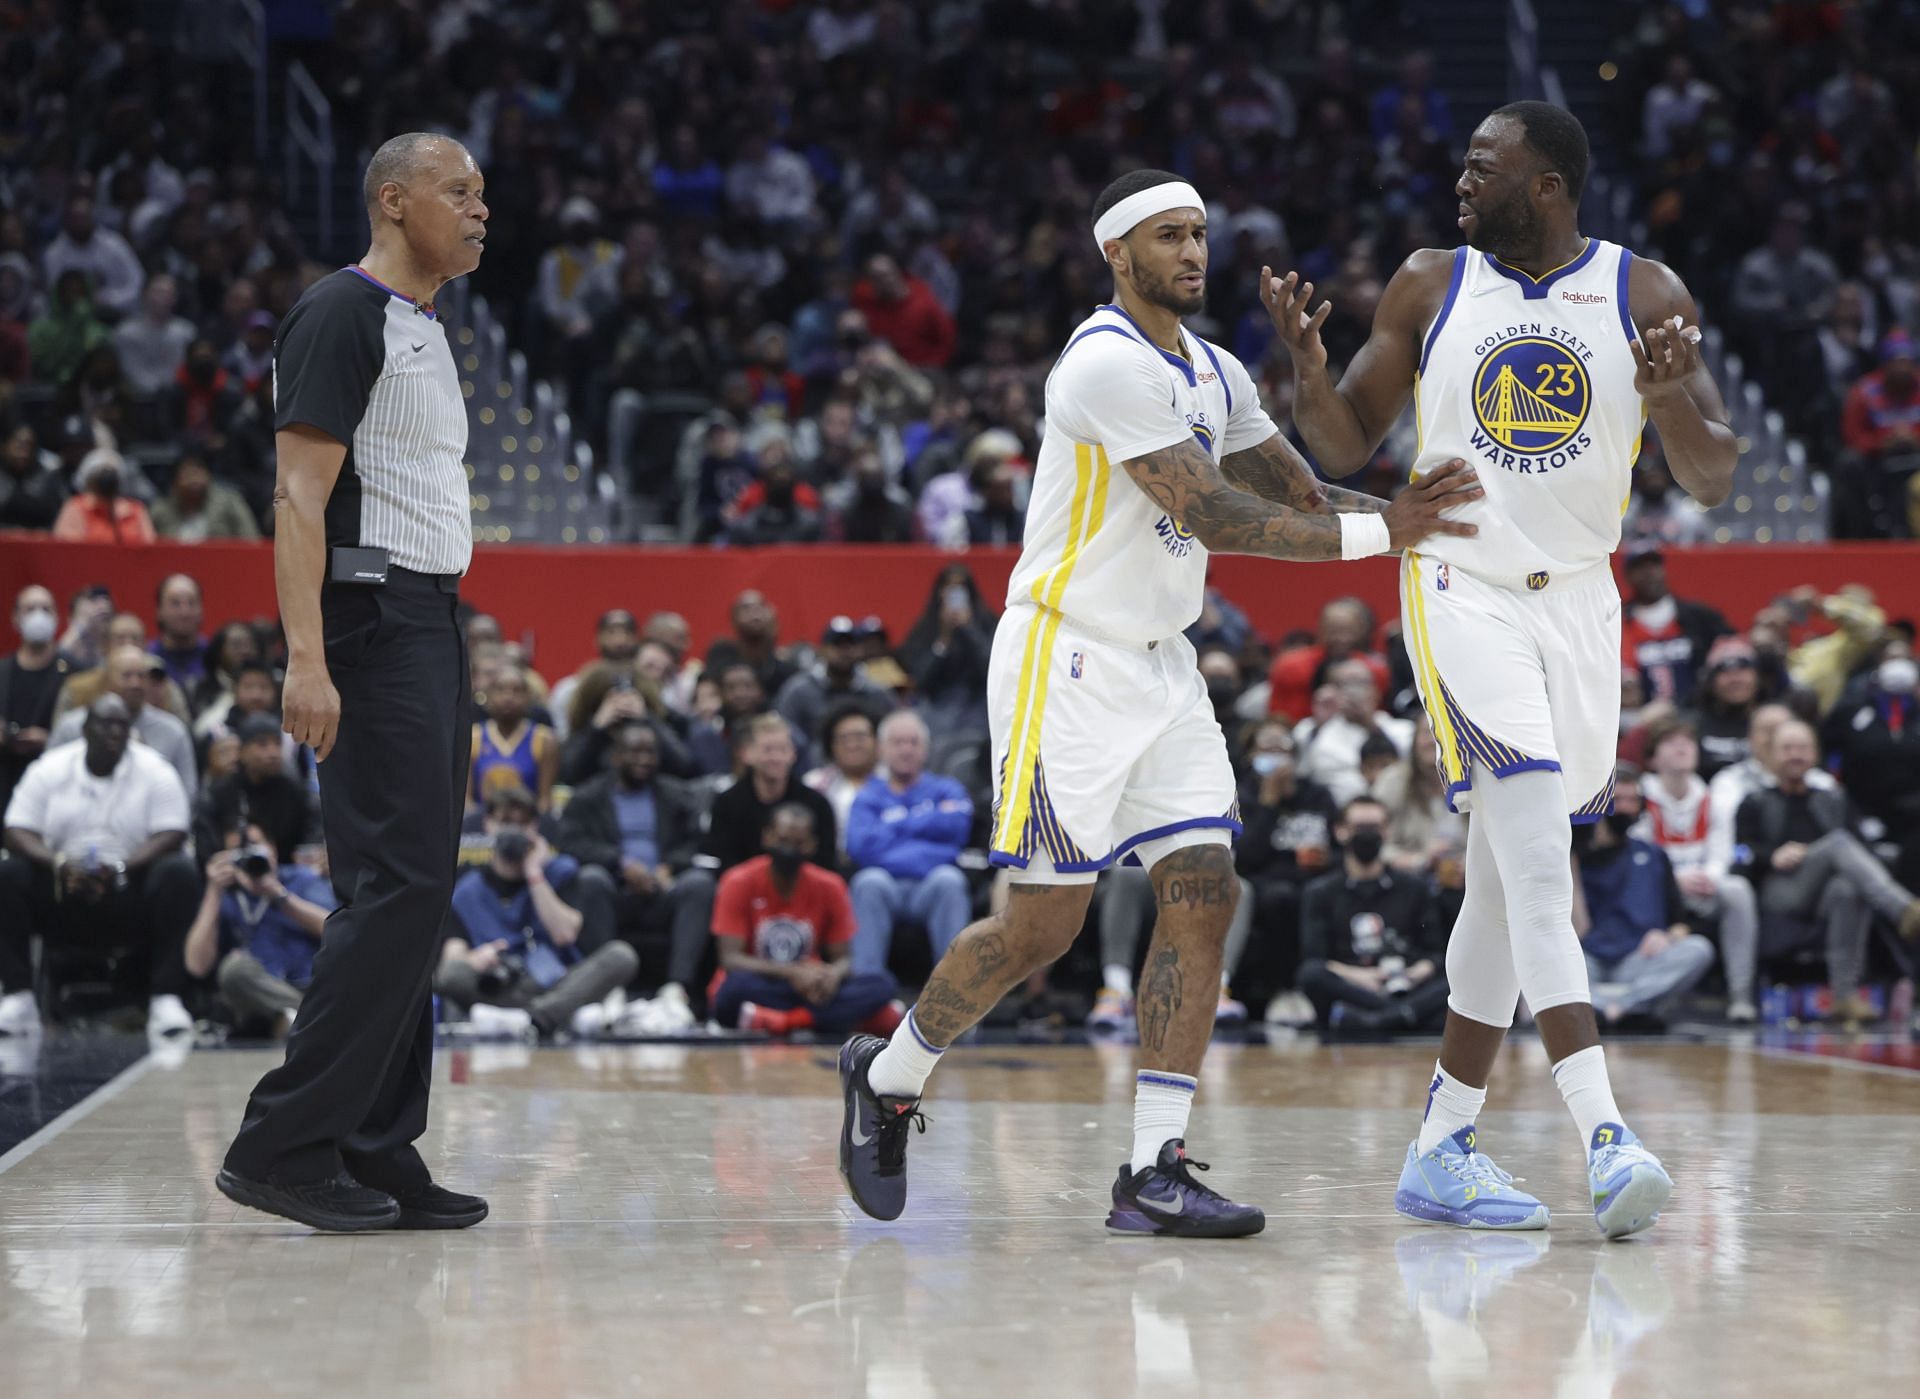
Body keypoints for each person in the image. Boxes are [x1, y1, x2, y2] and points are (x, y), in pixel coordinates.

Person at [837, 167, 1479, 1237]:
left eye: (1201, 234)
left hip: (1163, 665)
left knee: (1204, 887)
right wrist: (1387, 535)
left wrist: (1425, 518)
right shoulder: (1101, 366)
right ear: (1116, 253)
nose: (1193, 251)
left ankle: (1153, 1170)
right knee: (1043, 928)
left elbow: (1303, 495)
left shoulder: (1217, 371)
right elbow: (1218, 516)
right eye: (1170, 235)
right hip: (1068, 659)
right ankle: (890, 1073)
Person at [1271, 101, 1738, 1235]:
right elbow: (1342, 444)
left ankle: (1442, 1144)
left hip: (1581, 605)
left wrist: (1671, 393)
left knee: (1498, 881)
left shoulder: (1645, 293)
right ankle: (1605, 1132)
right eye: (1465, 162)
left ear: (1549, 185)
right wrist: (1306, 370)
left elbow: (1715, 476)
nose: (1462, 179)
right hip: (1460, 587)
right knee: (1535, 859)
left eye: (1485, 166)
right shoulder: (1431, 283)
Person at [220, 133, 492, 1234]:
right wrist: (307, 656)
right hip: (372, 625)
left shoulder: (423, 325)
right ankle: (283, 1143)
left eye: (483, 194)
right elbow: (296, 497)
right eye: (459, 191)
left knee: (418, 894)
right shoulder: (341, 312)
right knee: (394, 890)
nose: (480, 209)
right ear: (393, 199)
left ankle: (378, 1147)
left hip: (430, 619)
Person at [0, 696, 198, 1039]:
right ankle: (18, 997)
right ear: (85, 729)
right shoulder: (50, 767)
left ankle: (167, 997)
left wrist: (121, 867)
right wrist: (60, 864)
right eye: (105, 724)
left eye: (122, 725)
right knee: (10, 873)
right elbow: (16, 829)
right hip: (63, 888)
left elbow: (173, 831)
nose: (114, 732)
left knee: (178, 873)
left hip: (128, 887)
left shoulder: (155, 769)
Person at [1733, 720, 1920, 1023]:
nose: (1796, 755)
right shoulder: (1754, 801)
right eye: (1787, 748)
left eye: (1804, 748)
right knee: (1837, 843)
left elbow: (1864, 851)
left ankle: (1844, 996)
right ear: (1770, 755)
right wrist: (1771, 855)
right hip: (1780, 891)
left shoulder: (1833, 799)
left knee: (1848, 887)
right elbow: (1738, 852)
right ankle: (1904, 910)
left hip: (1824, 895)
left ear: (1816, 754)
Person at [438, 786, 639, 1038]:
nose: (513, 831)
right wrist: (475, 959)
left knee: (621, 955)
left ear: (535, 828)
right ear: (488, 825)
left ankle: (531, 1019)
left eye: (523, 824)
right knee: (451, 973)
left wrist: (535, 874)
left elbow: (564, 934)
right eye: (505, 822)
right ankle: (555, 1017)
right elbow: (452, 958)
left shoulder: (561, 871)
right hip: (500, 985)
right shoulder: (467, 889)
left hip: (558, 980)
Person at [554, 721, 714, 1032]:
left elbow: (696, 841)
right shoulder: (589, 797)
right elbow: (571, 842)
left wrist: (669, 867)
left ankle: (676, 991)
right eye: (635, 751)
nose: (644, 759)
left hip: (662, 889)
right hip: (615, 890)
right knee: (590, 879)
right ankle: (608, 988)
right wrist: (620, 865)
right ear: (616, 756)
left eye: (650, 752)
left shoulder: (675, 794)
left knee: (699, 884)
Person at [710, 804, 901, 1036]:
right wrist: (792, 973)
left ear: (812, 845)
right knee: (731, 990)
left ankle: (786, 1021)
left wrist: (831, 975)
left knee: (882, 984)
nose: (789, 850)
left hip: (813, 986)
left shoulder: (830, 885)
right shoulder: (738, 880)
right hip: (765, 982)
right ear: (767, 837)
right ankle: (832, 1020)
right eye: (783, 840)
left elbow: (844, 958)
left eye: (798, 843)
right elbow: (731, 959)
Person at [1635, 717, 1761, 1021]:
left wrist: (1711, 878)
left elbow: (1721, 853)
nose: (1682, 747)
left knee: (1737, 890)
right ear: (1653, 757)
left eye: (1688, 741)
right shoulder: (1641, 796)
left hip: (1699, 888)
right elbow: (1639, 858)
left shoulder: (1711, 798)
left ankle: (1740, 995)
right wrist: (1676, 880)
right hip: (1655, 888)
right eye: (1671, 742)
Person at [1297, 796, 1450, 1033]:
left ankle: (1380, 1021)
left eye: (1374, 827)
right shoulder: (1320, 892)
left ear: (1387, 831)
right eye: (1359, 828)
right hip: (1354, 986)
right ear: (1340, 832)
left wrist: (1411, 975)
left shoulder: (1414, 888)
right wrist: (1362, 977)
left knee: (1457, 977)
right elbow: (1316, 959)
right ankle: (1405, 1016)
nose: (1367, 834)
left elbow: (1435, 954)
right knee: (1311, 975)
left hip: (1406, 982)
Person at [1575, 772, 1716, 1027]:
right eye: (1619, 799)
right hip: (1587, 957)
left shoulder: (1653, 855)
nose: (1626, 808)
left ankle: (1614, 1008)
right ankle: (1618, 1008)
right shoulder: (1573, 855)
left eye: (1632, 800)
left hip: (1638, 959)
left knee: (1698, 949)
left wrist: (1668, 936)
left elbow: (1681, 922)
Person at [845, 710, 974, 976]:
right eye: (898, 742)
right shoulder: (867, 795)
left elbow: (958, 835)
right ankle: (867, 990)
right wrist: (928, 823)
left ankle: (954, 992)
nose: (906, 750)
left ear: (925, 749)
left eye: (913, 742)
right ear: (882, 749)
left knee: (949, 879)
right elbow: (860, 849)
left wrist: (894, 826)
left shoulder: (947, 789)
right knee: (868, 881)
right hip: (886, 885)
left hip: (930, 885)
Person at [184, 826, 335, 1038]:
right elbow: (196, 966)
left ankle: (297, 1019)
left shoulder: (300, 878)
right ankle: (313, 1021)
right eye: (239, 850)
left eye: (256, 846)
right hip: (261, 995)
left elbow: (337, 932)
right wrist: (213, 890)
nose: (250, 855)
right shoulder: (227, 896)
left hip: (311, 986)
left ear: (272, 849)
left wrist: (280, 896)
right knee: (233, 970)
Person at [48, 644, 199, 798]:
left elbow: (187, 794)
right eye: (127, 675)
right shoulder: (72, 727)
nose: (135, 683)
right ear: (106, 680)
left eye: (141, 676)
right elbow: (48, 781)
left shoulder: (173, 731)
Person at [702, 713, 838, 872]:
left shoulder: (817, 804)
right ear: (747, 754)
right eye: (767, 750)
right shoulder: (726, 804)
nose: (776, 757)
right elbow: (723, 861)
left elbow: (826, 864)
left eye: (782, 749)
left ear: (793, 754)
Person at [192, 713, 316, 866]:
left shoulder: (294, 791)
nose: (273, 753)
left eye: (277, 744)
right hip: (230, 874)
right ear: (241, 751)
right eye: (262, 744)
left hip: (287, 872)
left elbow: (309, 845)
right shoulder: (220, 793)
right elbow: (206, 854)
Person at [1291, 657, 1414, 805]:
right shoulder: (1316, 733)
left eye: (1361, 684)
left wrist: (1370, 724)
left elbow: (1409, 766)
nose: (1353, 692)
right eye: (1345, 685)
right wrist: (1322, 724)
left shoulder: (1403, 729)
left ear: (1375, 692)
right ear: (1332, 692)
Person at [1620, 543, 1730, 707]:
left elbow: (1730, 645)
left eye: (1654, 566)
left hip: (1697, 713)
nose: (1649, 573)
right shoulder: (1620, 622)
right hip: (1641, 717)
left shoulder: (1699, 616)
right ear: (1628, 576)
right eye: (1640, 568)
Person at [898, 565, 997, 739]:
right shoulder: (925, 630)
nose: (955, 594)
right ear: (939, 592)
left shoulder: (988, 625)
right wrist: (943, 639)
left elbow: (993, 669)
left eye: (961, 588)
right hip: (935, 713)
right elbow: (920, 681)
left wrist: (969, 629)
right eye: (949, 587)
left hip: (979, 711)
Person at [1, 586, 76, 814]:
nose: (38, 615)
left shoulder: (77, 673)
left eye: (46, 609)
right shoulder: (2, 670)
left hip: (57, 785)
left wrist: (52, 740)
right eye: (30, 609)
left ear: (57, 618)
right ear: (15, 618)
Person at [1265, 597, 1390, 723]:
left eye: (1347, 630)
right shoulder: (1290, 667)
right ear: (1321, 628)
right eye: (1333, 629)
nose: (1340, 637)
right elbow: (1277, 714)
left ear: (1361, 631)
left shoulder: (1374, 671)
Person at [775, 615, 891, 748]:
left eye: (850, 645)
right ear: (823, 650)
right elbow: (784, 731)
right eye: (838, 645)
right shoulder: (799, 690)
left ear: (860, 650)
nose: (845, 652)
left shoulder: (875, 692)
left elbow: (892, 730)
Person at [468, 663, 558, 813]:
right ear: (488, 695)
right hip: (482, 826)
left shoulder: (544, 740)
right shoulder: (473, 737)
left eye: (517, 691)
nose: (508, 697)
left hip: (527, 824)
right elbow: (466, 801)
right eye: (500, 690)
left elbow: (545, 800)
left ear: (528, 697)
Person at [805, 703, 880, 861]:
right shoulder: (813, 784)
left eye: (860, 737)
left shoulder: (896, 780)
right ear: (831, 746)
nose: (852, 745)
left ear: (877, 740)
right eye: (844, 738)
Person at [549, 609, 639, 741]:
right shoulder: (570, 689)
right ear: (597, 639)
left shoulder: (650, 687)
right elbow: (563, 744)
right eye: (611, 632)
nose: (619, 641)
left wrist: (647, 717)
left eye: (626, 632)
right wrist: (597, 725)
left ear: (636, 639)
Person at [52, 448, 155, 544]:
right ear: (88, 480)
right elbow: (68, 550)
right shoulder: (76, 507)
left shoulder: (136, 510)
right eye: (101, 473)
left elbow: (148, 548)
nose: (106, 479)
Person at [151, 453, 260, 541]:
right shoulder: (160, 510)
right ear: (174, 482)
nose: (194, 480)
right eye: (188, 474)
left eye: (198, 472)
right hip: (174, 566)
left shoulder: (230, 502)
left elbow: (251, 540)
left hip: (222, 564)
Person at [149, 573, 210, 690]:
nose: (185, 612)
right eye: (175, 604)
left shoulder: (215, 658)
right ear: (159, 611)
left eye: (191, 603)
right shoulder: (148, 660)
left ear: (201, 610)